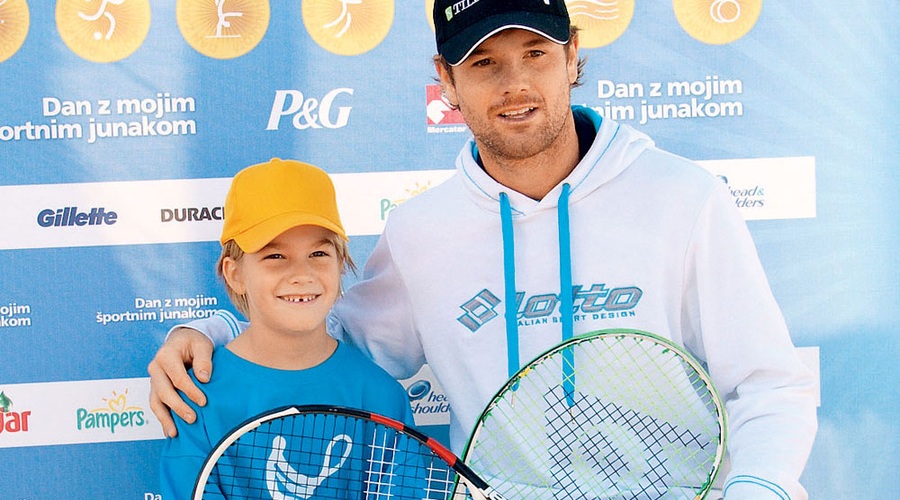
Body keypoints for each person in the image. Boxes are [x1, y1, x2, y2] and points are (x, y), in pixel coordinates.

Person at [150, 2, 818, 499]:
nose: (515, 85)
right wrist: (210, 332)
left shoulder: (684, 197)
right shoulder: (421, 231)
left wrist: (757, 491)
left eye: (535, 53)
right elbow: (325, 336)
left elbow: (768, 384)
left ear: (573, 56)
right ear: (446, 78)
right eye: (485, 63)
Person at [157, 158, 414, 498]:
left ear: (340, 263)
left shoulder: (380, 394)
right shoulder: (197, 399)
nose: (302, 273)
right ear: (235, 273)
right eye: (275, 256)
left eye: (319, 253)